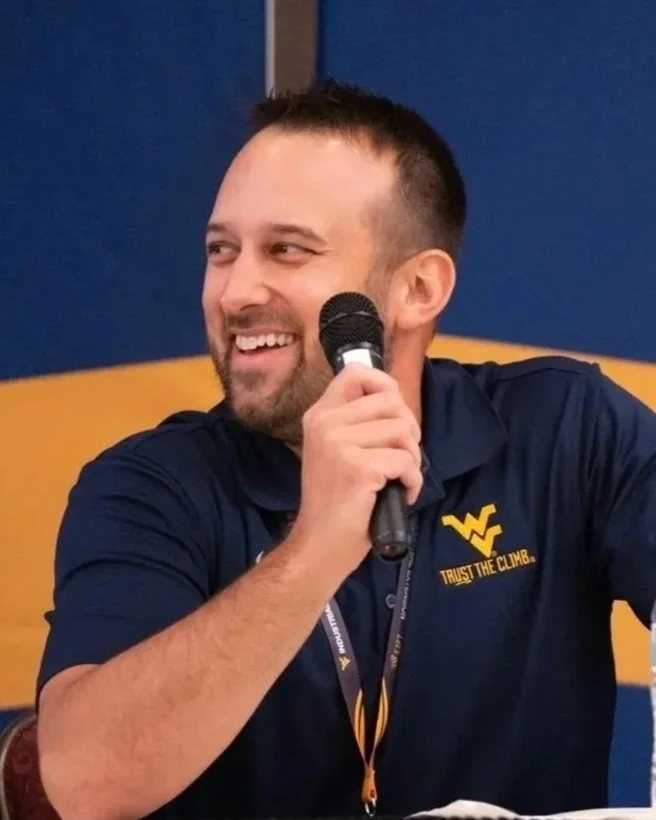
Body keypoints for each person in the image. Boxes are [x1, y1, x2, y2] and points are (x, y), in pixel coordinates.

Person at [36, 79, 656, 820]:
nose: (235, 292)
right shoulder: (149, 485)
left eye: (287, 250)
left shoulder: (564, 426)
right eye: (220, 250)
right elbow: (84, 784)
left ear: (418, 289)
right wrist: (317, 545)